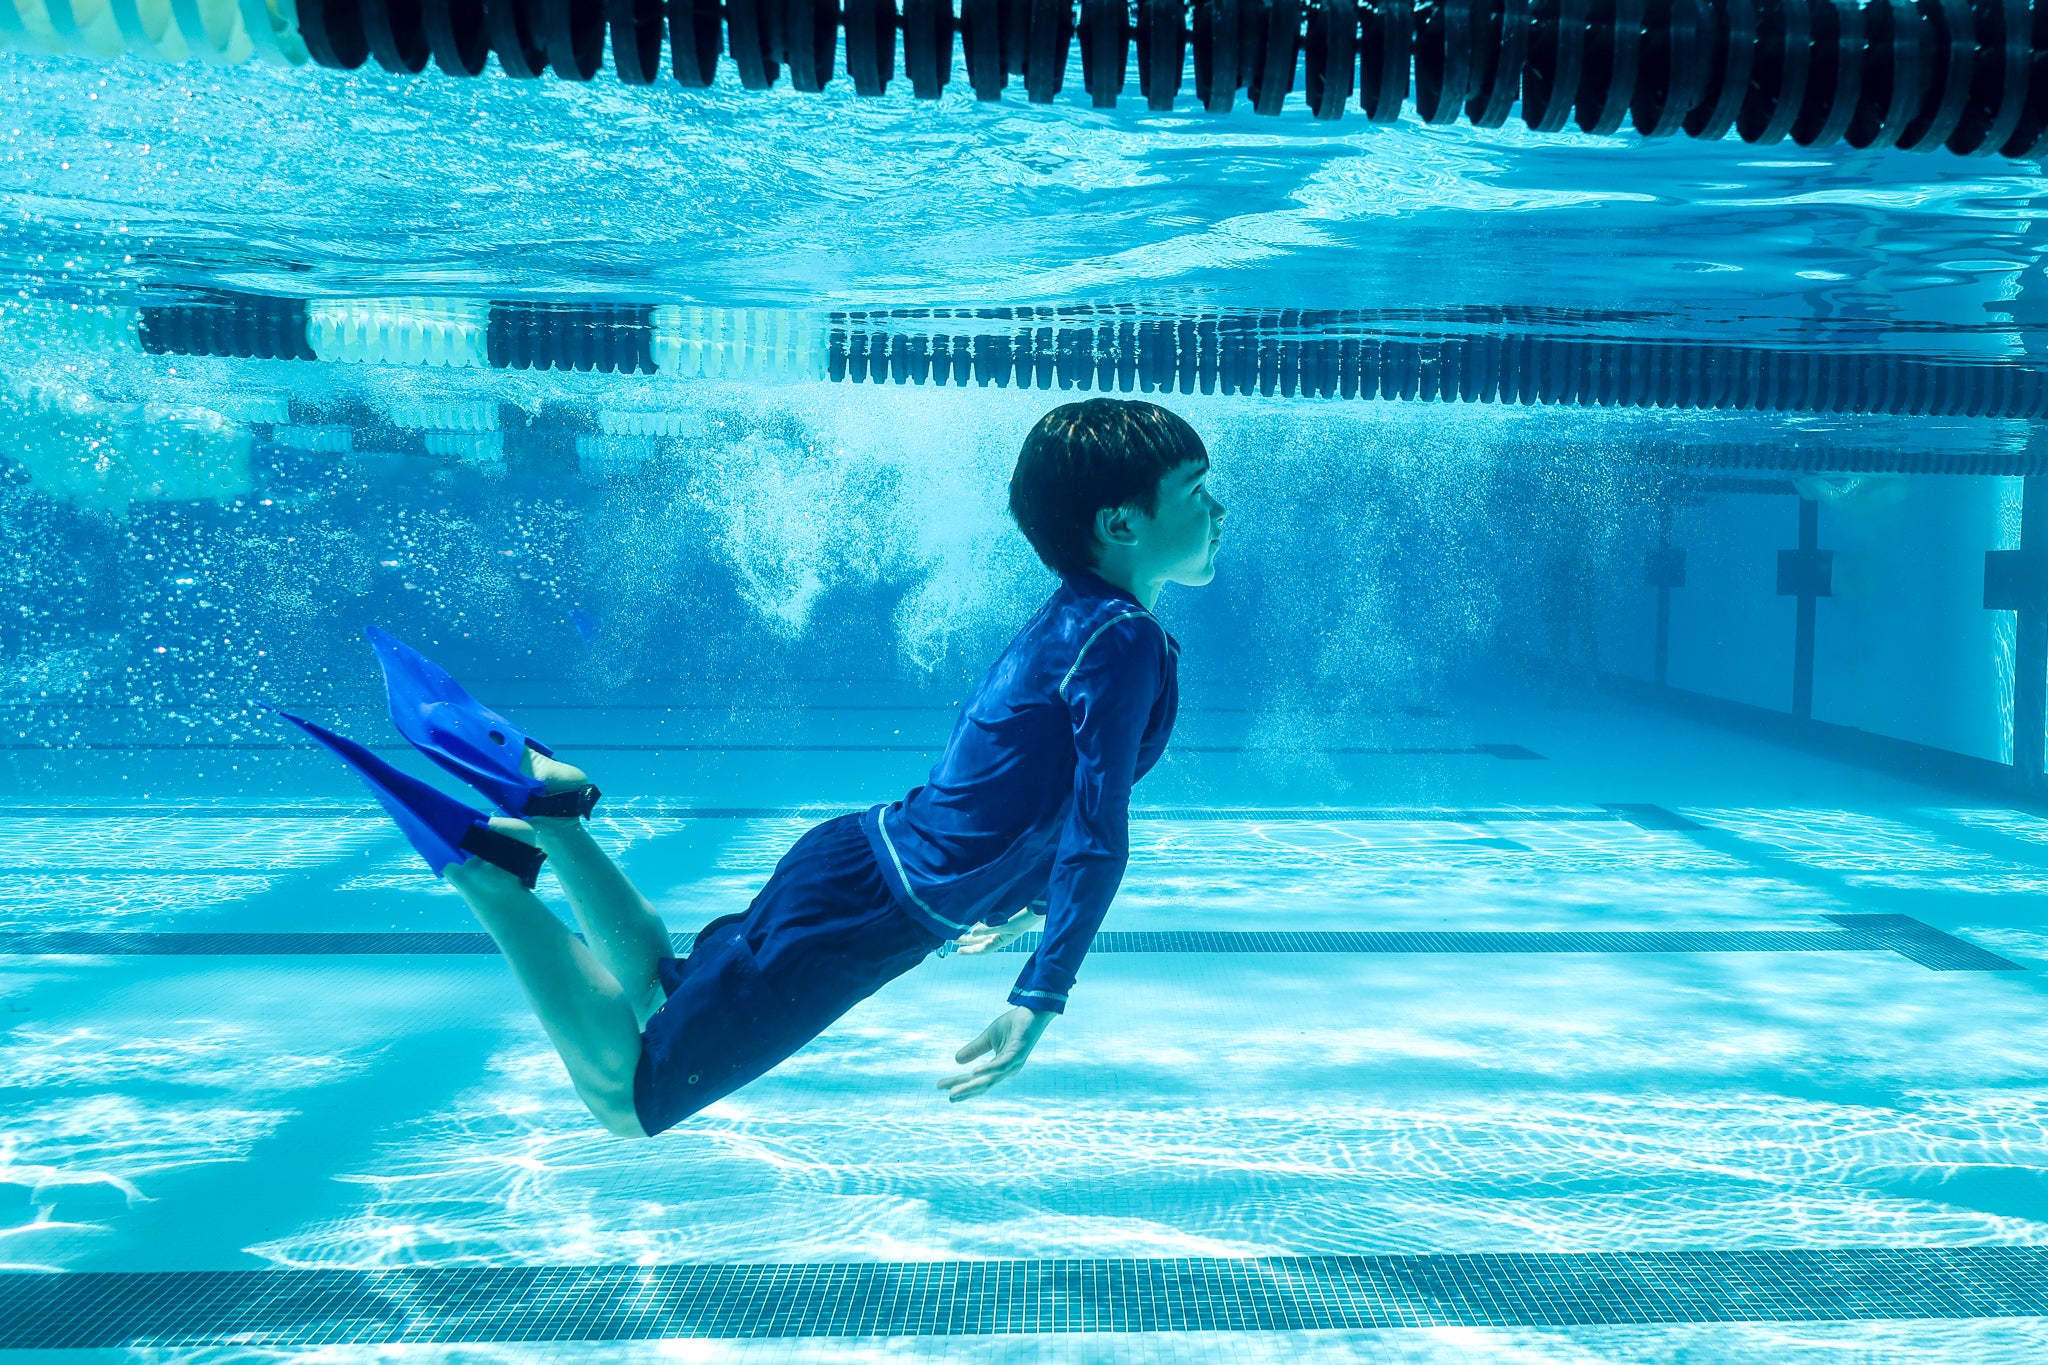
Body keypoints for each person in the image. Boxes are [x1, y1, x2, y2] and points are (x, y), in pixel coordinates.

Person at [272, 398, 1225, 1139]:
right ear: (1120, 523)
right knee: (632, 1099)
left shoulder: (1093, 620)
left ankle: (555, 814)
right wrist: (1038, 996)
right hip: (865, 913)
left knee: (665, 989)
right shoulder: (1121, 639)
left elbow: (1028, 795)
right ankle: (490, 874)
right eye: (1195, 491)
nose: (1216, 510)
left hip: (859, 869)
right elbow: (1096, 834)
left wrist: (1012, 902)